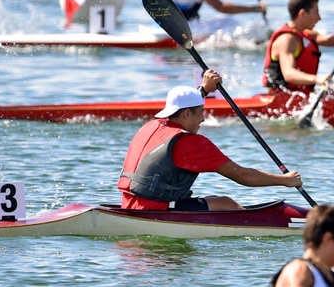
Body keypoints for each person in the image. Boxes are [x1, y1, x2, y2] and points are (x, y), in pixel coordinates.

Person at [117, 69, 301, 211]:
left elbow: (187, 106)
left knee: (216, 201)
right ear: (187, 113)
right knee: (227, 204)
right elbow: (243, 175)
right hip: (156, 210)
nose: (203, 119)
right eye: (201, 113)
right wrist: (285, 180)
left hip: (129, 204)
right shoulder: (190, 143)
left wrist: (204, 89)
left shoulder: (151, 126)